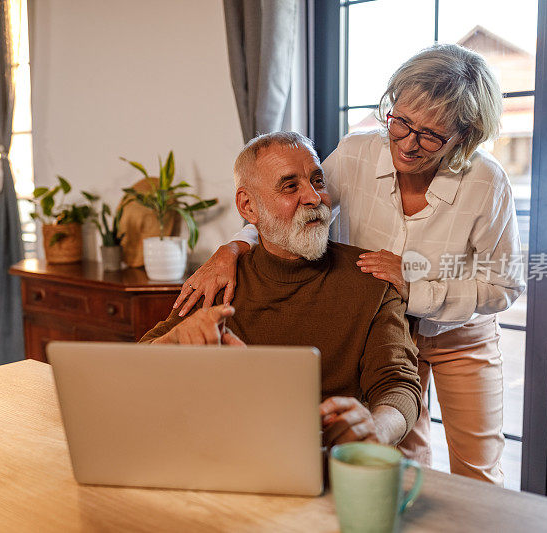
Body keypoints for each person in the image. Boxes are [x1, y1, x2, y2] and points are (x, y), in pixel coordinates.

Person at [173, 44, 526, 485]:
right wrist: (232, 249)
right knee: (399, 460)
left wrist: (415, 286)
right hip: (389, 326)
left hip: (459, 332)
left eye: (431, 135)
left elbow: (504, 285)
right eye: (400, 122)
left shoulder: (485, 182)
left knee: (477, 470)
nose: (408, 144)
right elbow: (299, 205)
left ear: (464, 137)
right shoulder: (360, 152)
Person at [140, 131, 422, 449]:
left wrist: (376, 428)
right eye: (290, 186)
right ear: (248, 207)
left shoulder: (371, 282)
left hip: (323, 458)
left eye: (317, 181)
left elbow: (399, 386)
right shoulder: (219, 282)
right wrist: (174, 341)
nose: (315, 198)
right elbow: (137, 363)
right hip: (221, 450)